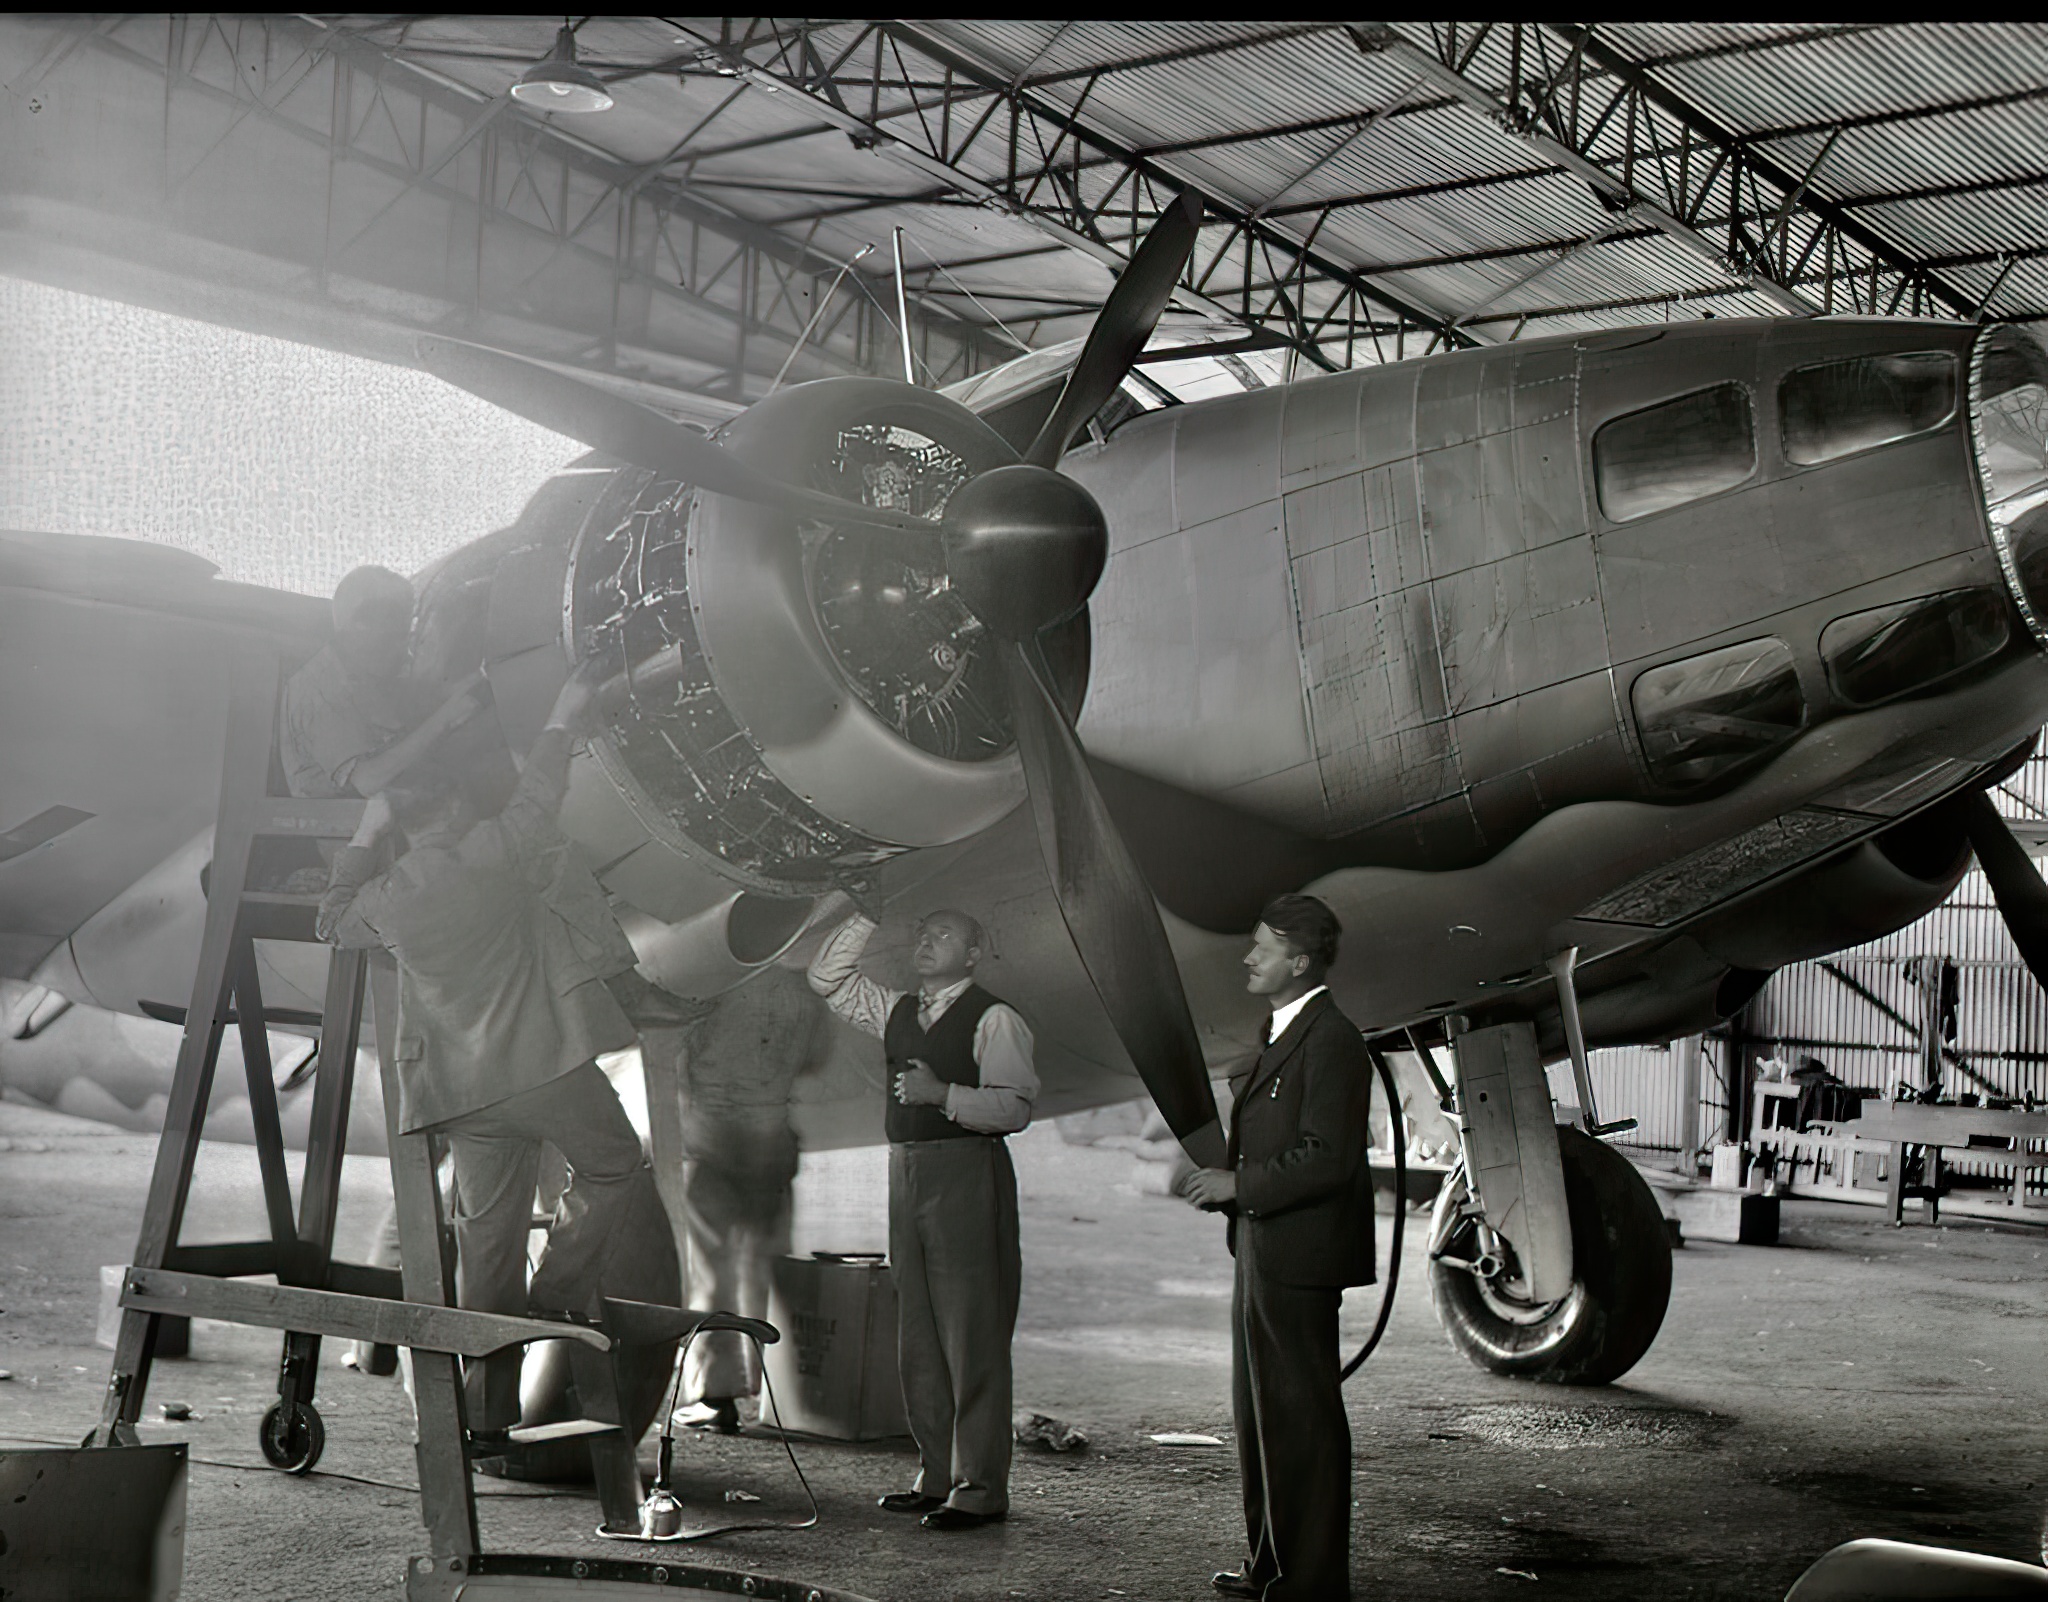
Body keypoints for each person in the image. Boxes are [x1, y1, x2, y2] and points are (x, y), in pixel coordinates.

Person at [317, 662, 666, 1445]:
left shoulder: (391, 896)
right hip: (541, 1069)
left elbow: (330, 922)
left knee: (487, 1244)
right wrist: (563, 714)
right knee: (615, 1164)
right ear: (454, 810)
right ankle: (559, 1296)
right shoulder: (493, 851)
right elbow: (540, 795)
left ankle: (484, 1419)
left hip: (461, 1093)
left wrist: (366, 835)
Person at [807, 907, 1036, 1531]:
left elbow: (1015, 1110)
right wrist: (865, 915)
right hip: (905, 1171)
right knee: (920, 1333)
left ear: (975, 952)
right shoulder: (896, 1010)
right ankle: (937, 1474)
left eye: (943, 935)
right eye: (920, 932)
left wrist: (943, 1096)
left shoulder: (996, 1019)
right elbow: (826, 978)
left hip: (968, 1170)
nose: (925, 941)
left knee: (973, 1332)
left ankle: (982, 1487)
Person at [1185, 894, 1373, 1602]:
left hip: (1299, 1253)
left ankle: (1314, 1581)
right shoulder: (1285, 1028)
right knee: (1262, 1414)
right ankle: (1272, 1566)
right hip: (1267, 1243)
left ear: (1299, 961)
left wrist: (1239, 1182)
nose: (1249, 957)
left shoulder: (1332, 1039)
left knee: (1302, 1420)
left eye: (1263, 949)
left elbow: (1330, 1157)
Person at [654, 967, 819, 1434]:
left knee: (713, 1273)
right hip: (773, 1143)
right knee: (769, 1268)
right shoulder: (801, 990)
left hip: (712, 1144)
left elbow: (676, 1058)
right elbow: (816, 1058)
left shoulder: (712, 980)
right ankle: (785, 1394)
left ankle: (717, 1396)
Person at [280, 564, 489, 805]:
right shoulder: (319, 690)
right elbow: (369, 780)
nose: (405, 650)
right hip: (351, 834)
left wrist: (466, 689)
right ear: (360, 626)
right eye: (395, 635)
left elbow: (420, 706)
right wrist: (446, 717)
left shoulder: (368, 676)